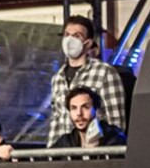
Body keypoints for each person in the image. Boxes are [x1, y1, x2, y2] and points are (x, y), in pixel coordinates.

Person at [46, 15, 127, 146]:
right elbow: (56, 122)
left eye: (77, 36)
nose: (69, 40)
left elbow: (116, 122)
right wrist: (51, 155)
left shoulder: (105, 72)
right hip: (65, 156)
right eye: (67, 35)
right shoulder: (57, 78)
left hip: (96, 155)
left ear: (88, 43)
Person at [50, 86, 127, 149]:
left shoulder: (114, 137)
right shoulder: (66, 141)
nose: (79, 113)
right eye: (74, 108)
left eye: (85, 107)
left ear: (96, 110)